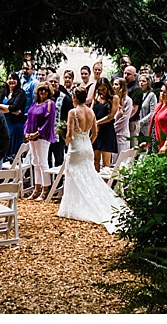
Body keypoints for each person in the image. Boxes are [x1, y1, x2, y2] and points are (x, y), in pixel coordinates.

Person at [57, 86, 126, 231]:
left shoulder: (72, 112)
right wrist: (87, 142)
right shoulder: (91, 112)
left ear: (75, 98)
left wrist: (66, 142)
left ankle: (72, 206)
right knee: (89, 176)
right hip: (87, 147)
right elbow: (94, 134)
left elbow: (69, 134)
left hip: (76, 148)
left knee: (73, 176)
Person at [24, 82, 57, 200]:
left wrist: (37, 133)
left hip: (42, 136)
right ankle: (36, 188)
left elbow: (49, 122)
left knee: (43, 162)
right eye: (41, 90)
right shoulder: (35, 103)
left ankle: (45, 189)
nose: (43, 92)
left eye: (45, 90)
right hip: (31, 136)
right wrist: (26, 132)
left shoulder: (50, 104)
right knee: (35, 161)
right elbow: (28, 119)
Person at [0, 73, 27, 162]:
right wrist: (10, 109)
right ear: (6, 81)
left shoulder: (21, 92)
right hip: (5, 122)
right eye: (9, 78)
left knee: (14, 147)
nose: (11, 81)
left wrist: (1, 106)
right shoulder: (3, 92)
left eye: (14, 79)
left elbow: (16, 107)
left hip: (16, 124)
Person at [48, 70, 75, 168]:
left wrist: (65, 129)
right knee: (47, 159)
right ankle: (49, 182)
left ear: (59, 84)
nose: (53, 84)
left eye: (55, 82)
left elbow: (71, 114)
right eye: (51, 81)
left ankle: (58, 182)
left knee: (59, 158)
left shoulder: (64, 98)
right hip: (45, 133)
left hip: (58, 134)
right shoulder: (44, 96)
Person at [91, 77, 119, 170]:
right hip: (96, 130)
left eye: (104, 89)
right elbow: (91, 111)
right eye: (100, 89)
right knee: (95, 160)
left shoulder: (114, 98)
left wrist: (97, 123)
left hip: (107, 129)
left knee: (106, 163)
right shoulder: (96, 97)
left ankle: (106, 183)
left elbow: (111, 116)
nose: (102, 92)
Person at [136, 74, 159, 151]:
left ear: (148, 83)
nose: (141, 83)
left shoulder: (151, 95)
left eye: (143, 81)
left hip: (146, 127)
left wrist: (141, 122)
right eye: (140, 81)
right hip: (137, 127)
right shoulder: (137, 94)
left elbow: (152, 112)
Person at [124, 66, 143, 148]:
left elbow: (134, 109)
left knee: (132, 147)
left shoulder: (137, 89)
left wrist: (124, 119)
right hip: (124, 121)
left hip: (132, 122)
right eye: (124, 73)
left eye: (128, 74)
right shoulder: (124, 87)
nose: (125, 76)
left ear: (135, 76)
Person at [112, 77, 132, 154]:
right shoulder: (112, 99)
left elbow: (124, 119)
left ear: (122, 87)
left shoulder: (128, 101)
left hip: (121, 133)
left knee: (121, 160)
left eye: (116, 84)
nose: (114, 86)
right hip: (112, 134)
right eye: (113, 84)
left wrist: (113, 128)